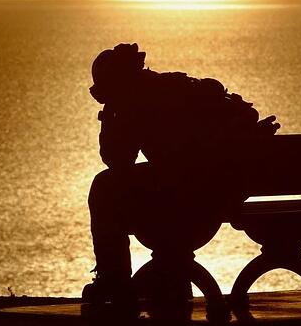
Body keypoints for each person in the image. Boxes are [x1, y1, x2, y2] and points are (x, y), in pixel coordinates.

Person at [83, 43, 280, 311]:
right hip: (217, 195)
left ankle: (113, 279)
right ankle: (165, 283)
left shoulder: (136, 102)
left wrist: (109, 117)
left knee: (103, 187)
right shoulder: (179, 86)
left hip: (182, 199)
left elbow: (117, 161)